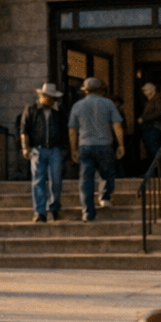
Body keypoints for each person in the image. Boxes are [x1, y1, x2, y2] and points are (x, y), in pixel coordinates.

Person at [68, 76, 126, 222]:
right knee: (107, 173)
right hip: (104, 144)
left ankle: (87, 212)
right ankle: (105, 197)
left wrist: (73, 149)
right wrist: (121, 144)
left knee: (86, 179)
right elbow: (117, 125)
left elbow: (72, 130)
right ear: (100, 90)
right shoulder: (108, 103)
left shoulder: (77, 106)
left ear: (85, 91)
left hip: (85, 145)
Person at [19, 82, 67, 222]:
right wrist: (25, 147)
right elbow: (23, 130)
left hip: (55, 149)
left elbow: (65, 130)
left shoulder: (59, 111)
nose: (48, 99)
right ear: (41, 96)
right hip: (38, 149)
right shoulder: (31, 110)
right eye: (46, 96)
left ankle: (54, 207)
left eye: (51, 97)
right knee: (38, 180)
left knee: (56, 180)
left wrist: (66, 148)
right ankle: (40, 212)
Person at [138, 81, 161, 166]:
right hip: (150, 128)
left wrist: (144, 118)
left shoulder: (157, 99)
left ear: (151, 90)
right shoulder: (152, 99)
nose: (144, 92)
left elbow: (159, 112)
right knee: (151, 149)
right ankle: (155, 169)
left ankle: (159, 169)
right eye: (144, 91)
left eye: (146, 90)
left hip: (155, 127)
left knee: (154, 149)